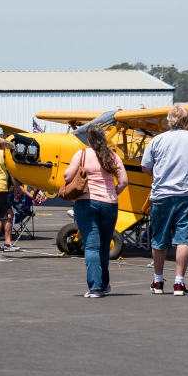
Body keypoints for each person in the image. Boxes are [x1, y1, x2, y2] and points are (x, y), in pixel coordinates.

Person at [144, 103, 188, 295]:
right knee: (183, 240)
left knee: (159, 240)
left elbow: (145, 167)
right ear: (187, 121)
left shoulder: (157, 140)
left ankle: (157, 282)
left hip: (161, 196)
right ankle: (179, 283)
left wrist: (159, 175)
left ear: (169, 120)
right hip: (187, 196)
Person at [63, 123, 129, 297]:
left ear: (89, 139)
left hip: (86, 203)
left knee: (91, 246)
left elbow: (67, 176)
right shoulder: (112, 156)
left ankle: (95, 288)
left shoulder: (82, 154)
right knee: (104, 247)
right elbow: (123, 181)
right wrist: (114, 192)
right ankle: (104, 284)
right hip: (109, 204)